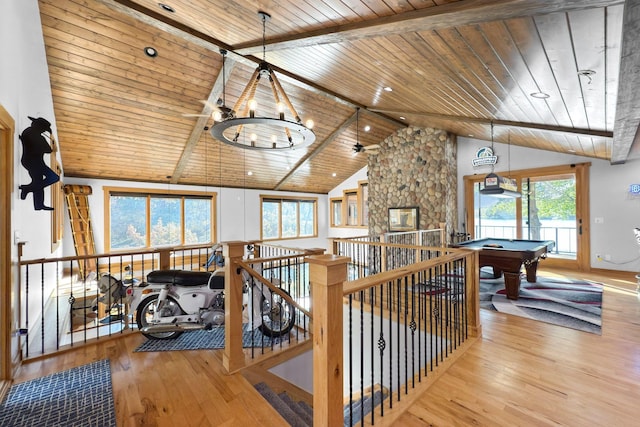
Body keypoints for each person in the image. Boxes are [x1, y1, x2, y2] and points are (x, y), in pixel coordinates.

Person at [18, 116, 60, 210]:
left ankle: (39, 205)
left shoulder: (28, 131)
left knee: (38, 182)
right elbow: (48, 150)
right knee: (54, 177)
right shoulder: (36, 135)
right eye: (43, 130)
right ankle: (28, 189)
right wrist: (52, 144)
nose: (43, 132)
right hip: (35, 162)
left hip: (31, 161)